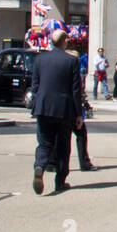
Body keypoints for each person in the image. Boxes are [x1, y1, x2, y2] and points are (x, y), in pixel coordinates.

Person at [30, 28, 84, 195]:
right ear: (65, 41)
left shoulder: (39, 59)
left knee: (44, 142)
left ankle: (40, 166)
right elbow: (76, 90)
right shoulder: (71, 61)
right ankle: (60, 181)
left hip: (44, 106)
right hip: (64, 108)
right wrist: (78, 114)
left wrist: (36, 106)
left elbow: (35, 86)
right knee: (63, 146)